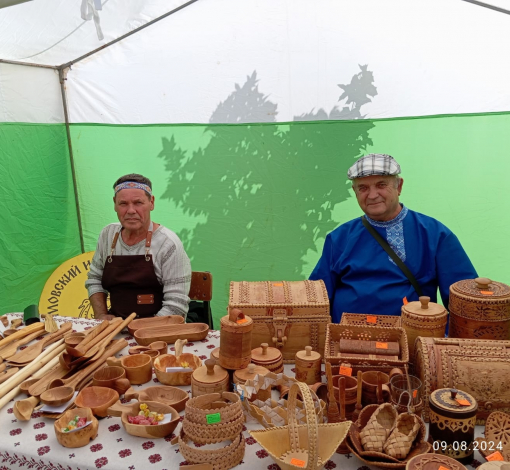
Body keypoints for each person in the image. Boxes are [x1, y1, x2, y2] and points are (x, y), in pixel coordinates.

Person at [309, 154, 477, 323]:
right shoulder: (339, 238)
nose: (372, 195)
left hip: (413, 341)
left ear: (399, 186)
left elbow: (465, 302)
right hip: (346, 341)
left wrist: (443, 337)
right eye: (363, 188)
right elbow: (314, 297)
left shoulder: (435, 234)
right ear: (355, 191)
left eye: (381, 185)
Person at [85, 174, 192, 321]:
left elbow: (176, 306)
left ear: (151, 203)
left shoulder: (168, 244)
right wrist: (101, 315)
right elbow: (95, 279)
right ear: (115, 204)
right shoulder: (108, 235)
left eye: (138, 203)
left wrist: (140, 331)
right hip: (116, 326)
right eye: (123, 204)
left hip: (159, 330)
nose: (130, 211)